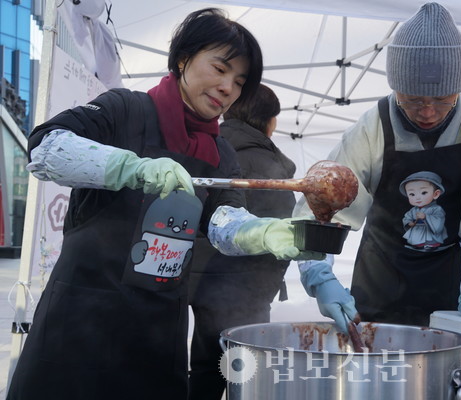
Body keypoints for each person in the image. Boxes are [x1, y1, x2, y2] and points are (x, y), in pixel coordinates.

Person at [8, 9, 321, 400]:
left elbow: (223, 222)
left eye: (239, 82)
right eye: (220, 69)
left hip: (158, 327)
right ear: (183, 59)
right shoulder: (125, 110)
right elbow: (46, 147)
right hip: (80, 318)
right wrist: (127, 166)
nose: (228, 87)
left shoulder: (221, 152)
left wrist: (263, 232)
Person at [293, 3, 461, 398]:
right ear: (394, 86)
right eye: (413, 100)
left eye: (444, 99)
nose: (429, 112)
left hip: (452, 290)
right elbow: (322, 207)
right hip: (381, 285)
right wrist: (320, 277)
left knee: (451, 385)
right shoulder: (373, 126)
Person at [187, 84, 296, 399]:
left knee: (206, 367)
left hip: (198, 280)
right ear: (269, 121)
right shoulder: (266, 164)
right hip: (243, 290)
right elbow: (281, 231)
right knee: (246, 373)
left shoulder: (207, 147)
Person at [400, 171, 448, 249]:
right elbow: (406, 217)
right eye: (412, 194)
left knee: (429, 238)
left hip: (429, 231)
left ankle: (432, 245)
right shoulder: (413, 210)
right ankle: (417, 246)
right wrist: (409, 223)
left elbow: (439, 221)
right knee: (416, 239)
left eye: (423, 192)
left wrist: (426, 217)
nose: (417, 197)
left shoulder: (436, 209)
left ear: (436, 194)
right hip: (417, 229)